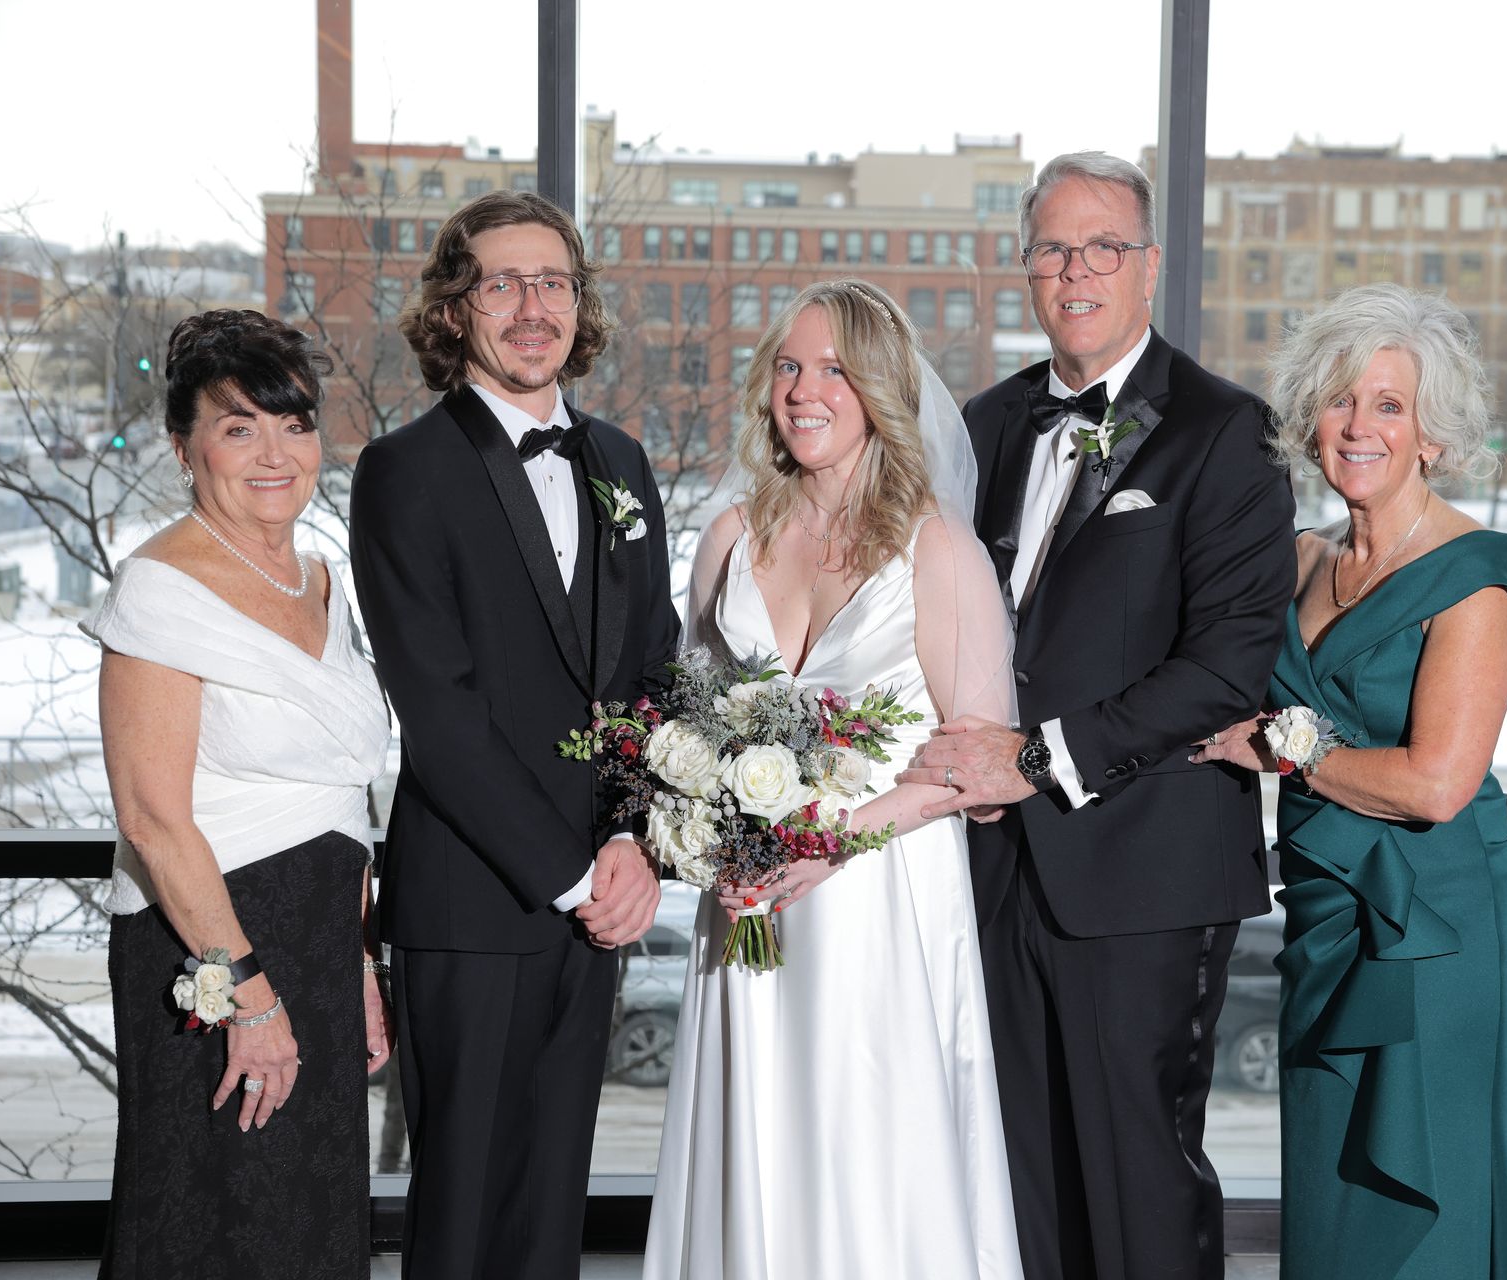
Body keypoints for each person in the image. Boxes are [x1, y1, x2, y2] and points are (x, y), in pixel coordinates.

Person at [898, 152, 1296, 1280]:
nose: (1076, 270)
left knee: (1136, 1174)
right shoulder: (983, 424)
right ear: (1028, 267)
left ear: (1150, 266)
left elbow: (1226, 664)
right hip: (990, 862)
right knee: (1012, 1166)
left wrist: (1037, 757)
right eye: (1054, 249)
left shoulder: (1227, 433)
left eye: (1103, 246)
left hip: (1144, 871)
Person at [644, 279, 1025, 1279]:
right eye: (788, 366)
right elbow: (694, 721)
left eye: (834, 370)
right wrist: (709, 822)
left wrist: (829, 843)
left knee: (870, 1151)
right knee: (753, 1144)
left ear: (881, 390)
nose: (805, 390)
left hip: (878, 899)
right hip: (752, 895)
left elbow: (978, 765)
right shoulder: (729, 537)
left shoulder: (938, 550)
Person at [348, 189, 680, 1280]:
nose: (532, 306)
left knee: (549, 1211)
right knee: (462, 1213)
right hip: (474, 902)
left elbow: (653, 676)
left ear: (581, 307)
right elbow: (437, 715)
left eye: (555, 282)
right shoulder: (402, 470)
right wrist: (578, 875)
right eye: (502, 282)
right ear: (457, 309)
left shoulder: (624, 463)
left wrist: (633, 840)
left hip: (602, 900)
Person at [1192, 282, 1507, 1278]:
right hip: (1327, 912)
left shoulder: (1475, 577)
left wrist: (1287, 751)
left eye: (1389, 403)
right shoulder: (1301, 558)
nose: (1359, 424)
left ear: (1433, 435)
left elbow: (1437, 783)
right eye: (1342, 399)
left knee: (1426, 1198)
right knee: (1333, 1186)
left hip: (1438, 921)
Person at [85, 309, 392, 1279]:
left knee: (310, 1213)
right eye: (238, 426)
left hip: (317, 942)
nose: (275, 453)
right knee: (213, 1215)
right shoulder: (159, 589)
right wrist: (250, 998)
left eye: (294, 423)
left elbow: (343, 798)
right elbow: (152, 818)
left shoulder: (320, 576)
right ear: (184, 446)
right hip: (210, 949)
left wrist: (357, 962)